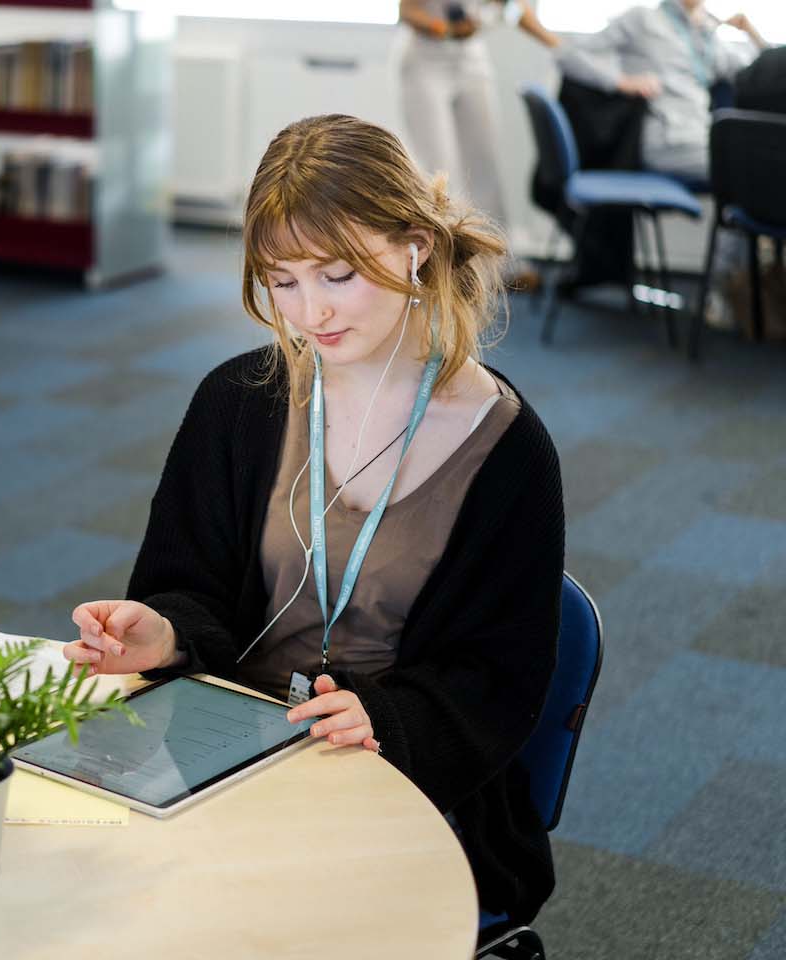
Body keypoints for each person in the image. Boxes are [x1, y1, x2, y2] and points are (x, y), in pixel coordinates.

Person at [65, 114, 565, 923]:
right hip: (226, 743)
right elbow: (185, 585)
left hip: (401, 776)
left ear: (416, 248)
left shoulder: (508, 452)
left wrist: (389, 718)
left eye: (337, 275)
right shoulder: (240, 401)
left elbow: (498, 683)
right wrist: (164, 631)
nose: (310, 314)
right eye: (282, 281)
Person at [396, 1, 560, 288]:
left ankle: (502, 262)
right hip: (425, 62)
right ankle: (449, 265)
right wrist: (446, 29)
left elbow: (514, 10)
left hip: (471, 62)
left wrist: (558, 47)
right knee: (440, 171)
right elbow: (407, 13)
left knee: (485, 167)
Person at [555, 1, 770, 182]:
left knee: (766, 164)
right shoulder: (643, 19)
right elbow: (567, 54)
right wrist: (620, 81)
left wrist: (751, 33)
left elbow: (765, 74)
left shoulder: (706, 36)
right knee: (757, 170)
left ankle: (734, 232)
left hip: (702, 137)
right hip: (666, 139)